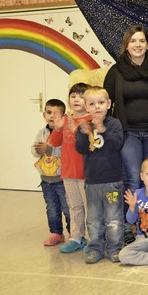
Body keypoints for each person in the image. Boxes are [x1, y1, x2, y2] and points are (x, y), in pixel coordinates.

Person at [103, 25, 148, 244]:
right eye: (133, 41)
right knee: (134, 179)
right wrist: (104, 127)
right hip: (128, 133)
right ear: (126, 45)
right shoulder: (116, 71)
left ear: (147, 44)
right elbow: (106, 101)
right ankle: (128, 226)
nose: (137, 45)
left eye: (142, 41)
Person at [75, 86, 124, 264]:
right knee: (94, 219)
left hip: (112, 181)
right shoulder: (83, 126)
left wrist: (102, 128)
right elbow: (80, 148)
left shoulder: (114, 124)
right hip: (92, 182)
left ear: (109, 104)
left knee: (114, 219)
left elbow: (117, 144)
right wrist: (86, 133)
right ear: (86, 107)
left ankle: (115, 248)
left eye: (101, 103)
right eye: (92, 104)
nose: (97, 107)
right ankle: (95, 248)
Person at [49, 82, 92, 253]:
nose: (76, 99)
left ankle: (92, 238)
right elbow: (54, 143)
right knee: (74, 206)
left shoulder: (90, 120)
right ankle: (76, 237)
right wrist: (58, 129)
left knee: (89, 206)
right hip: (68, 173)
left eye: (81, 96)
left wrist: (75, 129)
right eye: (73, 96)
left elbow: (89, 143)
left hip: (85, 173)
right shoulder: (65, 119)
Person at [31, 98, 70, 246]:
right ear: (44, 115)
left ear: (64, 117)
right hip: (46, 179)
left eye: (56, 113)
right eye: (49, 112)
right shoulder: (41, 133)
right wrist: (36, 150)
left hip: (62, 179)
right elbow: (35, 151)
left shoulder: (65, 132)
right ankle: (56, 233)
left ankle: (73, 232)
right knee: (52, 208)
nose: (52, 116)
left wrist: (48, 149)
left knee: (67, 208)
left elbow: (64, 151)